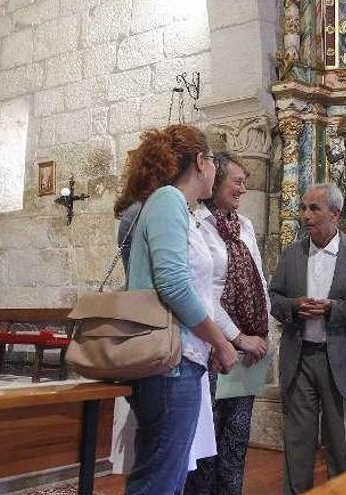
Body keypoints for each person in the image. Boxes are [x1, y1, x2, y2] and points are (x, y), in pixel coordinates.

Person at [113, 124, 238, 495]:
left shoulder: (177, 206)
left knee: (161, 474)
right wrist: (220, 342)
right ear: (201, 162)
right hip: (171, 363)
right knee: (159, 481)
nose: (215, 169)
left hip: (181, 359)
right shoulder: (167, 200)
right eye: (213, 161)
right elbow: (173, 284)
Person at [269, 183, 346, 495]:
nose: (305, 215)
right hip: (300, 355)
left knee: (339, 442)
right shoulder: (291, 254)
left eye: (314, 208)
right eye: (303, 208)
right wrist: (293, 306)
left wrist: (333, 309)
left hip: (339, 357)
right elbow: (273, 298)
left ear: (335, 214)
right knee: (297, 442)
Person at [184, 152, 270, 495]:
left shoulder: (244, 224)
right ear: (216, 181)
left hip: (251, 347)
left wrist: (261, 333)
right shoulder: (197, 224)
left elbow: (258, 279)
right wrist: (237, 337)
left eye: (245, 181)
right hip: (215, 345)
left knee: (236, 442)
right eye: (237, 181)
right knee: (207, 444)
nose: (243, 188)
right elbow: (205, 293)